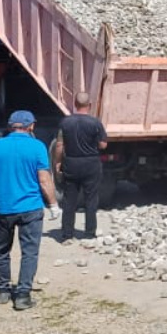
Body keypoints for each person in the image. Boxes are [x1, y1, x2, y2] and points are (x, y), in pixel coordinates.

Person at [0, 110, 60, 311]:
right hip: (30, 209)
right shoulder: (38, 147)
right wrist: (53, 204)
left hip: (3, 208)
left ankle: (2, 291)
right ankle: (23, 295)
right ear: (31, 126)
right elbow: (44, 179)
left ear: (10, 126)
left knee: (1, 251)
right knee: (29, 253)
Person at [52, 91, 108, 240]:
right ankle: (90, 233)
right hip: (91, 164)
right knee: (91, 199)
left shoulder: (65, 122)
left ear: (75, 105)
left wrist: (58, 162)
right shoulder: (95, 123)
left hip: (71, 163)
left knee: (69, 200)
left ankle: (67, 234)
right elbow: (103, 145)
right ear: (89, 105)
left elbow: (59, 145)